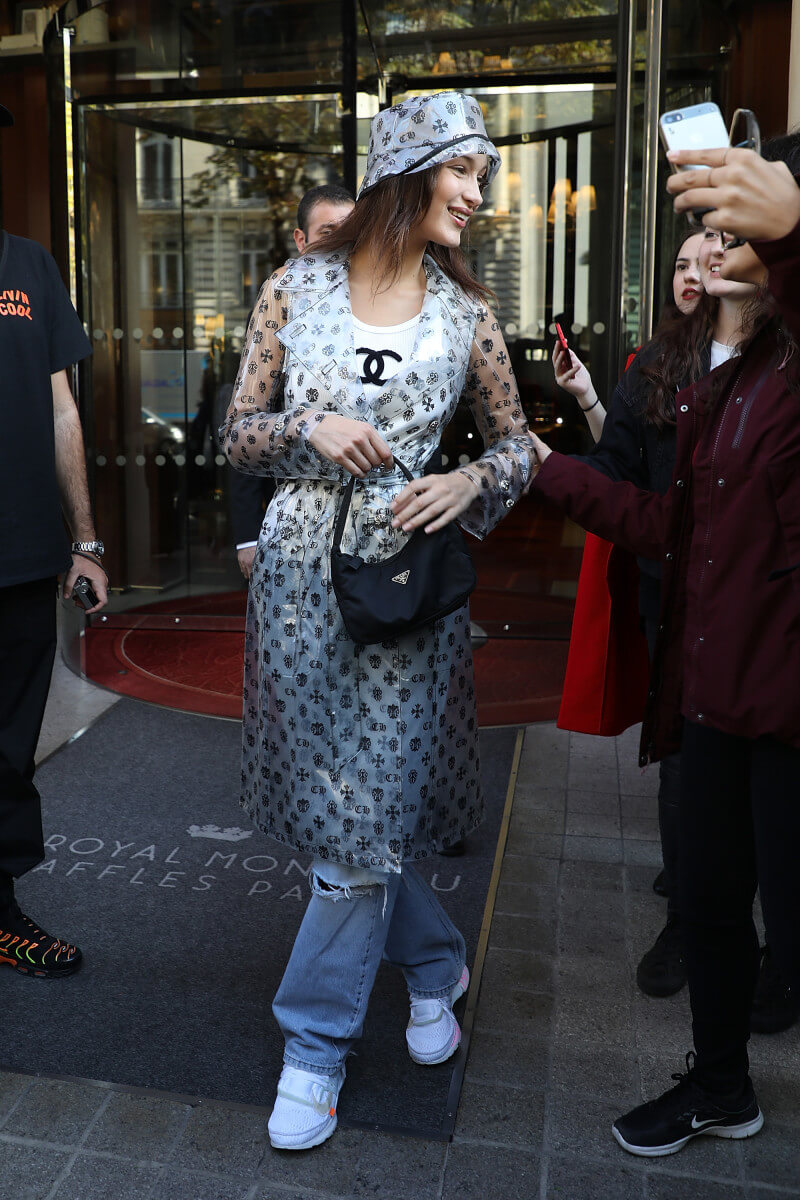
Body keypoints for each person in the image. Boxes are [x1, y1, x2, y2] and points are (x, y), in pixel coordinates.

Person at [220, 91, 532, 1150]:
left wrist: (467, 485)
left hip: (406, 588)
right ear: (409, 172)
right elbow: (239, 434)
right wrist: (313, 421)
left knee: (361, 827)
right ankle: (436, 964)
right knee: (339, 818)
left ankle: (312, 1049)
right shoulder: (294, 288)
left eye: (482, 178)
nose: (478, 198)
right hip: (304, 583)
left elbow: (521, 447)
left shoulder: (465, 315)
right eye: (465, 174)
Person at [528, 133, 800, 1158]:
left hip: (783, 711)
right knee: (706, 904)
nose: (712, 239)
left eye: (739, 221)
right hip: (709, 701)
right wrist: (531, 463)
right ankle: (720, 1086)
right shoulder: (713, 383)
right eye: (703, 228)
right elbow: (665, 531)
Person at [0, 101, 108, 978]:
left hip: (23, 557)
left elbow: (63, 407)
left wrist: (86, 541)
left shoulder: (28, 266)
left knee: (7, 746)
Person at [232, 184, 355, 580]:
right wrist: (247, 537)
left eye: (351, 229)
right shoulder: (283, 295)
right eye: (327, 231)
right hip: (300, 523)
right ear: (301, 240)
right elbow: (246, 424)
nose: (341, 241)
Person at [554, 231, 705, 441]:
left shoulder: (743, 356)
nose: (689, 275)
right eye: (681, 267)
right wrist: (586, 393)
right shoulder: (648, 360)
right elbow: (619, 452)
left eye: (703, 265)